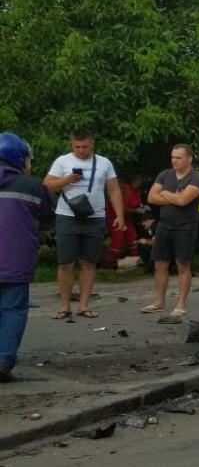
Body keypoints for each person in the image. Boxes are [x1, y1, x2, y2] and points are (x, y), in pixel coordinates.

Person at [43, 130, 124, 320]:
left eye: (85, 147)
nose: (81, 151)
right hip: (67, 216)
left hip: (94, 217)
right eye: (77, 147)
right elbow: (46, 186)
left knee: (88, 262)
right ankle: (64, 306)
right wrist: (66, 180)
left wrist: (119, 215)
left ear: (92, 144)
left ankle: (84, 305)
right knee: (66, 263)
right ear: (72, 145)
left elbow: (114, 190)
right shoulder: (63, 161)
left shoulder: (104, 163)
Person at [0, 133, 49, 382]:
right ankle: (4, 358)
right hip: (15, 261)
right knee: (13, 309)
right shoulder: (30, 185)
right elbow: (46, 208)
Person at [142, 144, 199, 317]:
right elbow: (151, 197)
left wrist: (166, 195)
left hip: (185, 226)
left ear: (189, 159)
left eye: (178, 158)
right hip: (164, 225)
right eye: (172, 157)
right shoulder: (165, 174)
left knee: (182, 264)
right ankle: (159, 302)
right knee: (160, 263)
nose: (174, 161)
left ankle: (180, 304)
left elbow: (184, 201)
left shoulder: (196, 178)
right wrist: (174, 197)